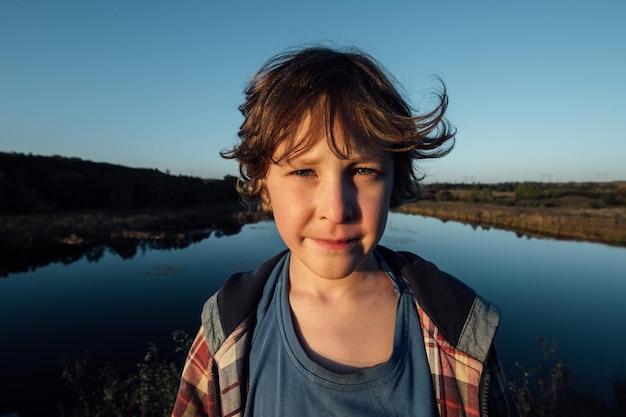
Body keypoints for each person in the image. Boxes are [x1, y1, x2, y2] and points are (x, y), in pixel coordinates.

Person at [172, 46, 519, 417]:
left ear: (393, 181)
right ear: (263, 184)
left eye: (363, 170)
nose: (336, 209)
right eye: (304, 172)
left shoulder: (459, 327)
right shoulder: (227, 327)